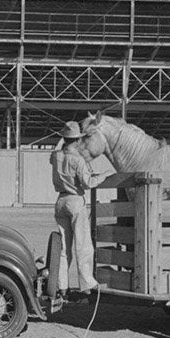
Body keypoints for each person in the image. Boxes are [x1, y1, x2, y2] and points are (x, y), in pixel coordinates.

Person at [50, 120, 109, 297]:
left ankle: (62, 287)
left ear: (64, 138)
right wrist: (104, 176)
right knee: (83, 245)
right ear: (77, 140)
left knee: (64, 248)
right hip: (75, 201)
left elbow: (57, 152)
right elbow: (88, 183)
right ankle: (87, 284)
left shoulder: (55, 156)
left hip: (60, 201)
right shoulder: (78, 160)